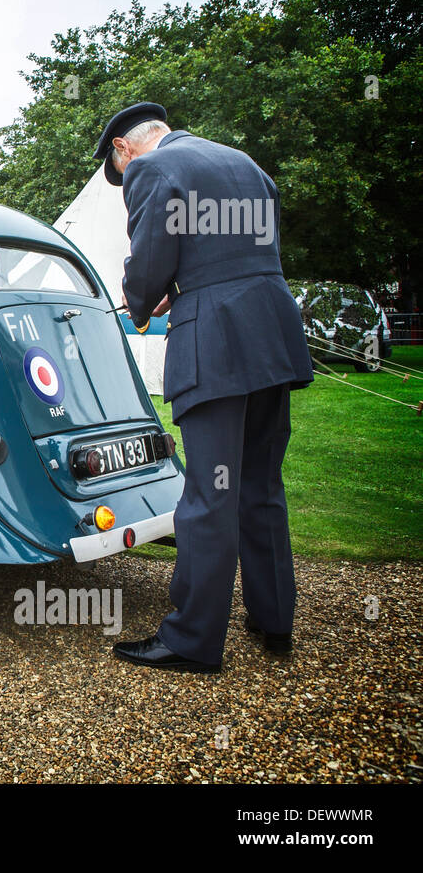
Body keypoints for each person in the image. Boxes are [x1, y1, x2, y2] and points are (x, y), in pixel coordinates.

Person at [93, 102, 314, 674]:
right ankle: (274, 619)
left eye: (118, 169)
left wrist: (143, 302)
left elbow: (145, 269)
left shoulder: (151, 171)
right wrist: (192, 280)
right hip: (271, 329)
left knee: (208, 496)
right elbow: (238, 254)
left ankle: (192, 639)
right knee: (261, 485)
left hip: (216, 342)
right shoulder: (244, 163)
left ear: (124, 149)